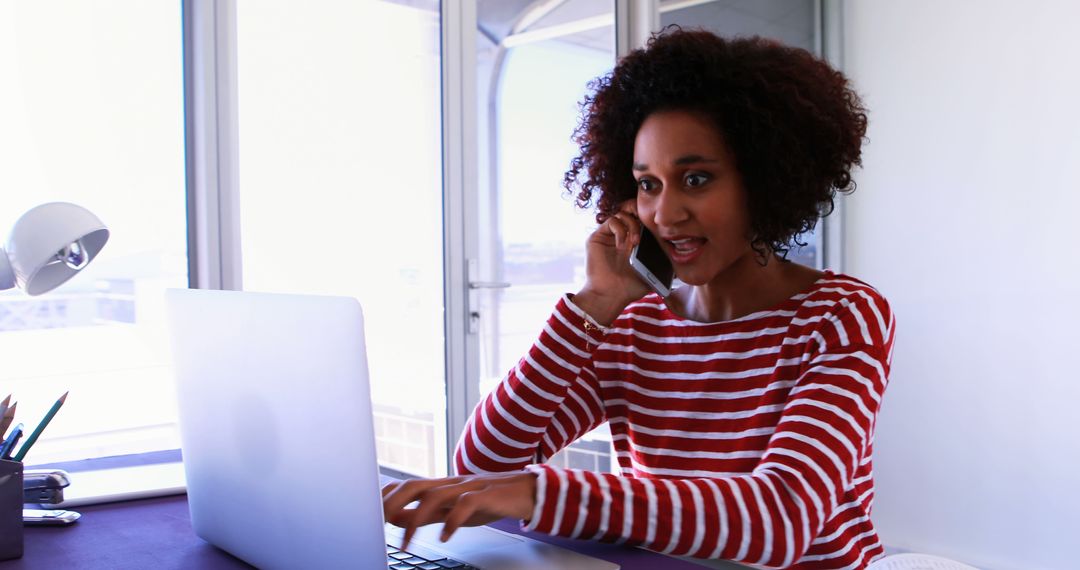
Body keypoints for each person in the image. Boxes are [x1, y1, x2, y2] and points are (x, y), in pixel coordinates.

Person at [383, 28, 894, 569]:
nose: (665, 214)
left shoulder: (840, 316)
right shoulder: (635, 326)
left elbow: (780, 519)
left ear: (765, 181)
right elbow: (484, 464)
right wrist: (594, 304)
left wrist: (539, 492)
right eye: (648, 184)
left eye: (696, 179)